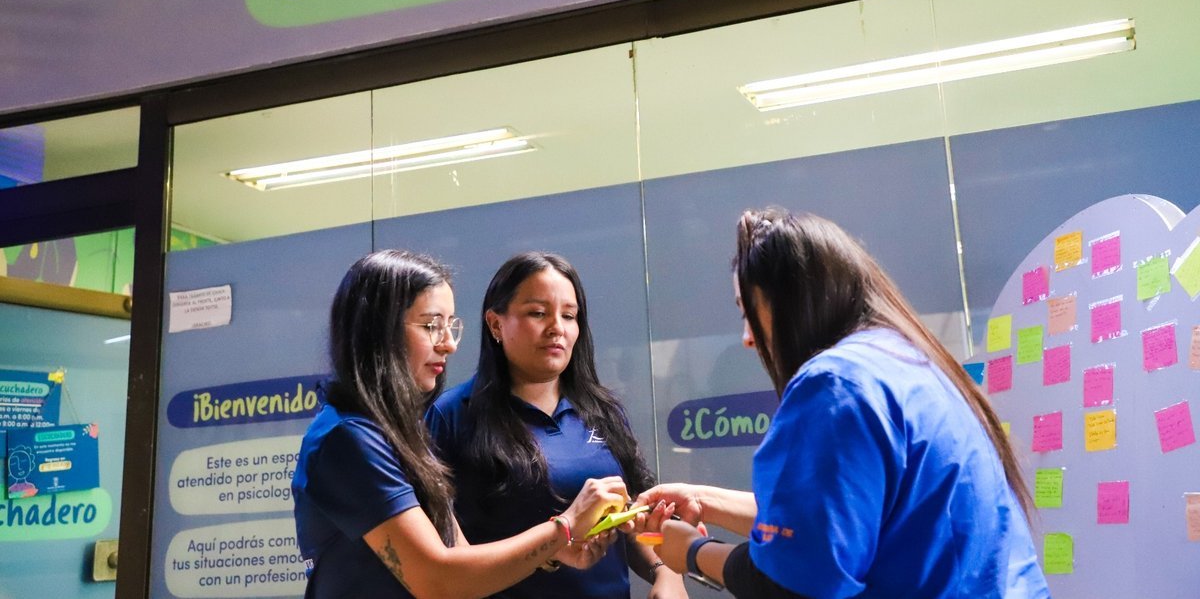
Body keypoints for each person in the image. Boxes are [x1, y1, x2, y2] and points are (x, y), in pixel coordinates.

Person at [637, 209, 1050, 598]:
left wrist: (691, 552)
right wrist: (707, 500)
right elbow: (829, 522)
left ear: (792, 302)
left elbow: (792, 584)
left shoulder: (834, 386)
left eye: (750, 312)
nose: (748, 337)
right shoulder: (905, 365)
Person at [292, 250, 629, 599]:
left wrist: (552, 550)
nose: (449, 344)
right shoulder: (346, 438)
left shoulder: (400, 435)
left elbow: (461, 561)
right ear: (378, 330)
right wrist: (565, 527)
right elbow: (437, 580)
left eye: (450, 326)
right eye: (430, 326)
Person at [427, 252, 688, 599]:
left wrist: (666, 573)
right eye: (538, 313)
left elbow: (638, 516)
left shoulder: (604, 411)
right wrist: (556, 540)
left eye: (569, 315)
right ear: (495, 324)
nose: (557, 329)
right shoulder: (452, 416)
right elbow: (443, 557)